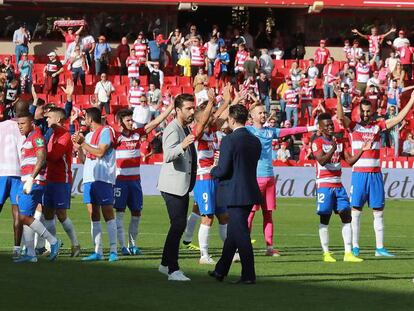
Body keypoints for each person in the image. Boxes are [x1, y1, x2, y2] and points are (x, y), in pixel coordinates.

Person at [336, 90, 414, 258]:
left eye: (368, 111)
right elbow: (340, 117)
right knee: (355, 212)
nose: (365, 114)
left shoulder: (378, 126)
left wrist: (412, 100)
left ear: (371, 112)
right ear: (358, 111)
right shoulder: (353, 127)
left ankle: (379, 248)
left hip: (375, 175)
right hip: (359, 175)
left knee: (378, 211)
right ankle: (355, 247)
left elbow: (398, 119)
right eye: (362, 111)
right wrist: (338, 98)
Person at [246, 103, 316, 256]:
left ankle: (269, 248)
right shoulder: (247, 131)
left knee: (268, 214)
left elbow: (291, 130)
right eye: (260, 113)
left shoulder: (270, 131)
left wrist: (310, 128)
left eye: (264, 112)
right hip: (254, 178)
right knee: (249, 214)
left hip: (269, 177)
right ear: (251, 116)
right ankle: (242, 247)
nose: (263, 115)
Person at [207, 104, 261, 285]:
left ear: (231, 119)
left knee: (241, 234)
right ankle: (220, 271)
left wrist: (213, 170)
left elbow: (223, 170)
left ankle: (248, 275)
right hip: (249, 190)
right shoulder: (255, 140)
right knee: (233, 234)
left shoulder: (229, 140)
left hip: (234, 192)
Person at [113, 105, 174, 255]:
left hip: (135, 182)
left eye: (131, 120)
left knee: (136, 214)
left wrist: (171, 107)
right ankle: (122, 246)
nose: (131, 123)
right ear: (120, 122)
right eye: (127, 120)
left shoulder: (137, 134)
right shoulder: (115, 137)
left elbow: (156, 122)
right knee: (119, 213)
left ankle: (133, 245)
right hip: (120, 181)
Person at [312, 112, 370, 263]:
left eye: (331, 125)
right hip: (324, 185)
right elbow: (322, 161)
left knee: (346, 215)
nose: (331, 127)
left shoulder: (338, 142)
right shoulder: (317, 142)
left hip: (338, 184)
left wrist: (362, 150)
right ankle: (326, 253)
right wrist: (332, 148)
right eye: (327, 126)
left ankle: (348, 253)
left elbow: (350, 161)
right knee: (325, 218)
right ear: (320, 128)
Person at [157, 93, 197, 281]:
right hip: (173, 186)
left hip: (181, 185)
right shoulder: (173, 129)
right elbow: (167, 155)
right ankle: (173, 269)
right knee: (178, 225)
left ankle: (165, 264)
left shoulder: (184, 127)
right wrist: (182, 145)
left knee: (178, 225)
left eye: (193, 107)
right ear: (177, 110)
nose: (192, 111)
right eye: (188, 108)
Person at [72, 107, 118, 262]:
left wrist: (83, 143)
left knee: (108, 214)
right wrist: (78, 148)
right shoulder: (89, 135)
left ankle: (113, 250)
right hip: (89, 179)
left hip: (103, 178)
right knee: (94, 215)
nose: (84, 120)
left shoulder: (106, 131)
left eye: (85, 117)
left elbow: (100, 152)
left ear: (90, 119)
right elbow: (85, 160)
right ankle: (97, 251)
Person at [14, 112, 61, 263]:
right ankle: (31, 254)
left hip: (34, 182)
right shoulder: (27, 139)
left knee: (23, 217)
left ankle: (53, 241)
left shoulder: (37, 137)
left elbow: (42, 157)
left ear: (31, 123)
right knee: (25, 215)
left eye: (23, 123)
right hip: (27, 181)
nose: (20, 127)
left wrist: (30, 179)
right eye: (18, 124)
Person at [192, 88, 231, 264]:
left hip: (215, 178)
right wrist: (210, 103)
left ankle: (231, 251)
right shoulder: (197, 132)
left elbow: (220, 115)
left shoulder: (212, 131)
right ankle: (204, 255)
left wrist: (228, 100)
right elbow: (204, 120)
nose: (212, 117)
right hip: (203, 179)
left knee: (224, 216)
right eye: (209, 115)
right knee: (207, 217)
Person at [43, 107, 80, 257]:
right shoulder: (53, 135)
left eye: (49, 117)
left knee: (61, 214)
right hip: (49, 179)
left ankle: (75, 244)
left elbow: (53, 156)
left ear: (58, 119)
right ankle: (52, 246)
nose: (46, 119)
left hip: (61, 180)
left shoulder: (64, 136)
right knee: (48, 214)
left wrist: (39, 152)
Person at [0, 113, 25, 259]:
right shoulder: (22, 127)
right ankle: (16, 248)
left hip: (1, 172)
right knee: (17, 212)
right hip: (18, 172)